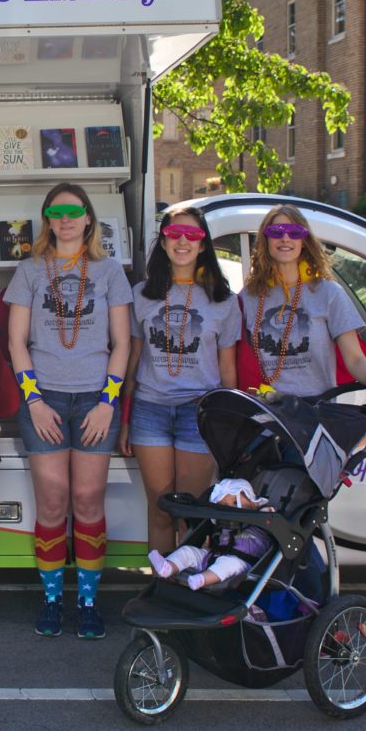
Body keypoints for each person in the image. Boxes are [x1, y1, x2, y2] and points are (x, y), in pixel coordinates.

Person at [5, 182, 131, 640]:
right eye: (56, 212)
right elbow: (16, 342)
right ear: (47, 220)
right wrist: (33, 399)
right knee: (54, 503)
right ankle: (54, 600)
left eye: (73, 211)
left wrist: (107, 403)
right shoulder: (30, 270)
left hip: (96, 401)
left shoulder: (110, 271)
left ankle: (90, 601)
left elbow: (122, 344)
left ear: (88, 218)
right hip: (47, 402)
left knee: (87, 501)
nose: (65, 219)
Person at [121, 206, 239, 556]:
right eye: (174, 234)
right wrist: (125, 419)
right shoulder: (142, 295)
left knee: (191, 513)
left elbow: (227, 370)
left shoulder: (223, 300)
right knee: (161, 511)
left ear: (203, 245)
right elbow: (133, 361)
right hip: (149, 411)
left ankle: (191, 590)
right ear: (164, 242)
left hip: (199, 414)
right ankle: (160, 589)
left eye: (192, 235)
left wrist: (228, 430)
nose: (183, 241)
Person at [241, 205, 366, 433]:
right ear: (265, 239)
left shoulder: (328, 293)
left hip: (318, 417)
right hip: (268, 419)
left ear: (304, 240)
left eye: (294, 232)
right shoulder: (248, 297)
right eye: (277, 231)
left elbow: (355, 358)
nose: (285, 238)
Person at [147, 478, 273, 590]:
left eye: (235, 502)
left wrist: (264, 513)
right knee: (188, 551)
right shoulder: (223, 522)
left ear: (253, 502)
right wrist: (208, 548)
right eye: (223, 506)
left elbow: (270, 518)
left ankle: (201, 579)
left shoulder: (259, 519)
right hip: (213, 555)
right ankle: (168, 567)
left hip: (241, 563)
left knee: (226, 563)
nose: (229, 509)